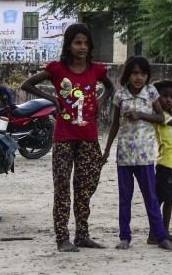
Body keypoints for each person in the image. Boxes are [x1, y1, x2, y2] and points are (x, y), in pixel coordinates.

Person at [22, 23, 114, 251]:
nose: (82, 47)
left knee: (85, 187)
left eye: (85, 43)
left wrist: (100, 101)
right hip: (63, 138)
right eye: (77, 43)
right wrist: (52, 99)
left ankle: (82, 234)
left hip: (89, 137)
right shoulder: (57, 69)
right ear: (69, 45)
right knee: (62, 187)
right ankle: (62, 237)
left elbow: (110, 88)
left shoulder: (97, 70)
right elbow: (28, 84)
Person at [103, 56, 172, 251]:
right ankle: (124, 236)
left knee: (150, 197)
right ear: (128, 75)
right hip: (124, 155)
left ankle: (161, 236)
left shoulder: (151, 93)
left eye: (143, 73)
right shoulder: (120, 96)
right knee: (124, 198)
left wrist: (141, 115)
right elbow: (115, 124)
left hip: (144, 156)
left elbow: (160, 117)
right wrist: (107, 150)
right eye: (135, 73)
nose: (139, 77)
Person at [152, 79, 172, 243]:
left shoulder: (170, 114)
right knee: (159, 200)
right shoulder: (161, 116)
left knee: (169, 200)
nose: (168, 100)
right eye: (164, 96)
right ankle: (154, 234)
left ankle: (164, 231)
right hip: (166, 164)